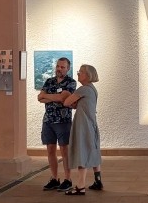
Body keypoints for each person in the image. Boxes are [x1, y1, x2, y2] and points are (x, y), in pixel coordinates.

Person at [62, 64, 103, 195]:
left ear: (88, 75)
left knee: (82, 151)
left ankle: (81, 185)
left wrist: (66, 95)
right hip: (90, 123)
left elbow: (67, 102)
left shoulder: (83, 89)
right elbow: (77, 104)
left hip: (83, 125)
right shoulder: (92, 89)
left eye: (81, 72)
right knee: (93, 150)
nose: (78, 73)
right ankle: (98, 180)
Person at [37, 57, 76, 191]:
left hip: (63, 122)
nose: (59, 69)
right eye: (58, 66)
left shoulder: (71, 83)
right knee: (50, 150)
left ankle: (67, 179)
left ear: (68, 69)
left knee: (64, 150)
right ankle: (54, 178)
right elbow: (39, 98)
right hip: (48, 120)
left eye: (62, 67)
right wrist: (51, 97)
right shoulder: (49, 81)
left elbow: (63, 98)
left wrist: (47, 96)